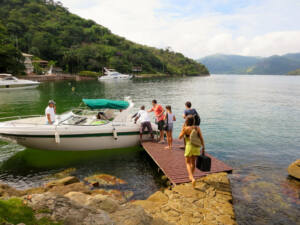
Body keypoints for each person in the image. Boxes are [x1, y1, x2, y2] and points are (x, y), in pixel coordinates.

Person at [179, 115, 205, 188]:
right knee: (193, 163)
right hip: (196, 147)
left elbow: (180, 137)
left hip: (189, 147)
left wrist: (182, 129)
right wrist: (203, 148)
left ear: (186, 121)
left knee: (187, 163)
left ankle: (192, 178)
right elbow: (201, 138)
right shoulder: (197, 128)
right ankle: (191, 176)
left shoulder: (185, 128)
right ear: (193, 121)